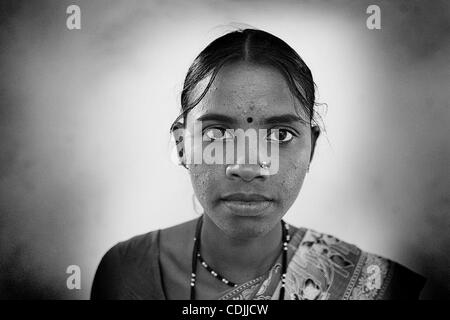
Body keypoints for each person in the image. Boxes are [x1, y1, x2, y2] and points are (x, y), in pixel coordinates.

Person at [91, 28, 425, 300]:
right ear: (182, 145)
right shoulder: (126, 271)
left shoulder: (373, 287)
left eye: (280, 135)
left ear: (310, 149)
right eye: (218, 133)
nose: (248, 167)